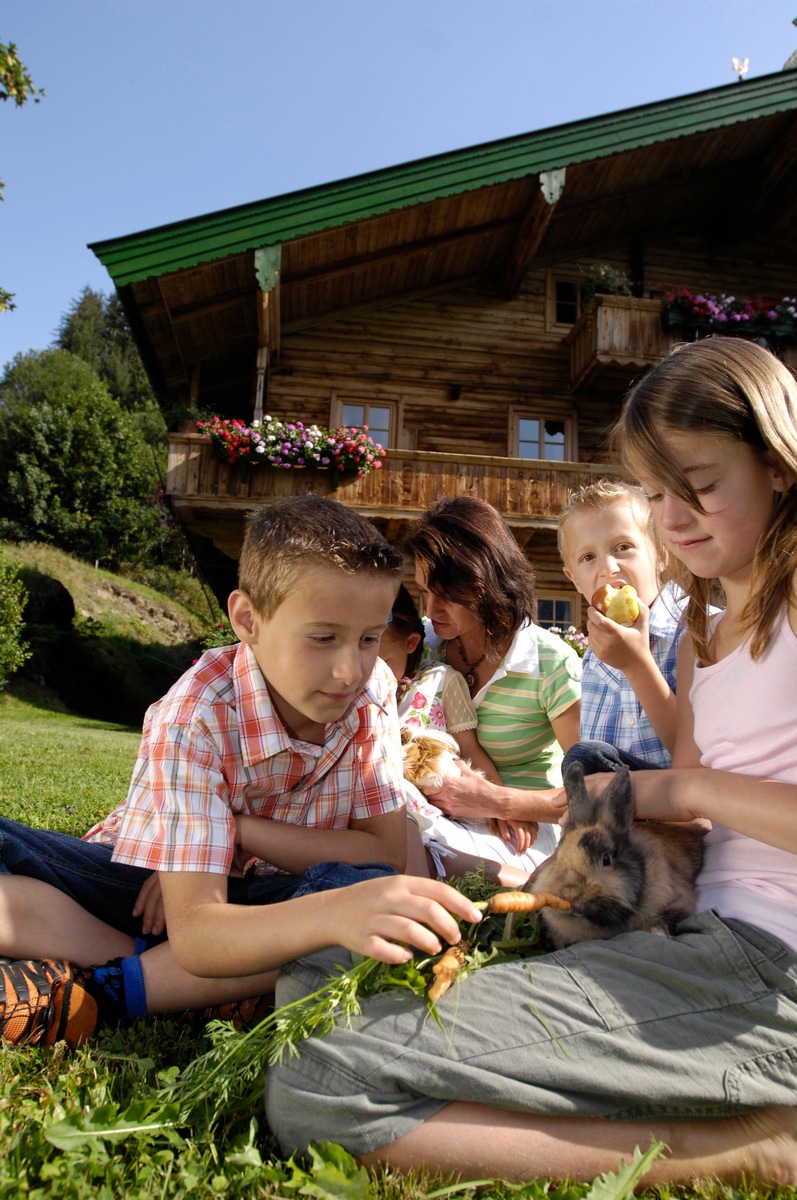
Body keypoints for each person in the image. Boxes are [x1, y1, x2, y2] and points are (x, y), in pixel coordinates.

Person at [265, 338, 797, 1188]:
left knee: (319, 1084)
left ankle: (759, 1143)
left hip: (772, 970)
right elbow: (695, 804)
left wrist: (680, 785)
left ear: (776, 463)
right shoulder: (704, 634)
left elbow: (691, 786)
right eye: (657, 494)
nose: (673, 519)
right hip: (690, 922)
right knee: (316, 978)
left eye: (697, 485)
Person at [0, 495, 481, 1046]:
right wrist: (321, 917)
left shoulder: (372, 692)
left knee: (371, 892)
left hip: (277, 892)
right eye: (324, 637)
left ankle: (107, 988)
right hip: (146, 887)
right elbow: (200, 933)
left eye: (370, 638)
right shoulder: (197, 713)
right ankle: (166, 977)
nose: (351, 669)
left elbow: (381, 852)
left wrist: (239, 831)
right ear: (247, 620)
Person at [404, 495, 582, 869]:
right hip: (429, 811)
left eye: (448, 596)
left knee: (417, 856)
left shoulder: (550, 663)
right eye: (423, 591)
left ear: (489, 582)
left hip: (521, 832)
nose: (430, 611)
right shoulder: (422, 646)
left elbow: (594, 791)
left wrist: (497, 801)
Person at [379, 585, 539, 881]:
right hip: (393, 806)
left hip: (443, 806)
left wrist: (502, 805)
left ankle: (517, 881)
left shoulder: (440, 681)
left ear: (411, 642)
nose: (371, 674)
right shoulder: (358, 694)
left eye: (382, 662)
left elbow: (471, 749)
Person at [557, 478, 688, 774]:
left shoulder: (698, 632)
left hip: (686, 807)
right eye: (588, 557)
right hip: (620, 813)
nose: (608, 567)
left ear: (662, 553)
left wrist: (635, 664)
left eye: (623, 547)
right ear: (574, 579)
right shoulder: (595, 654)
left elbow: (700, 752)